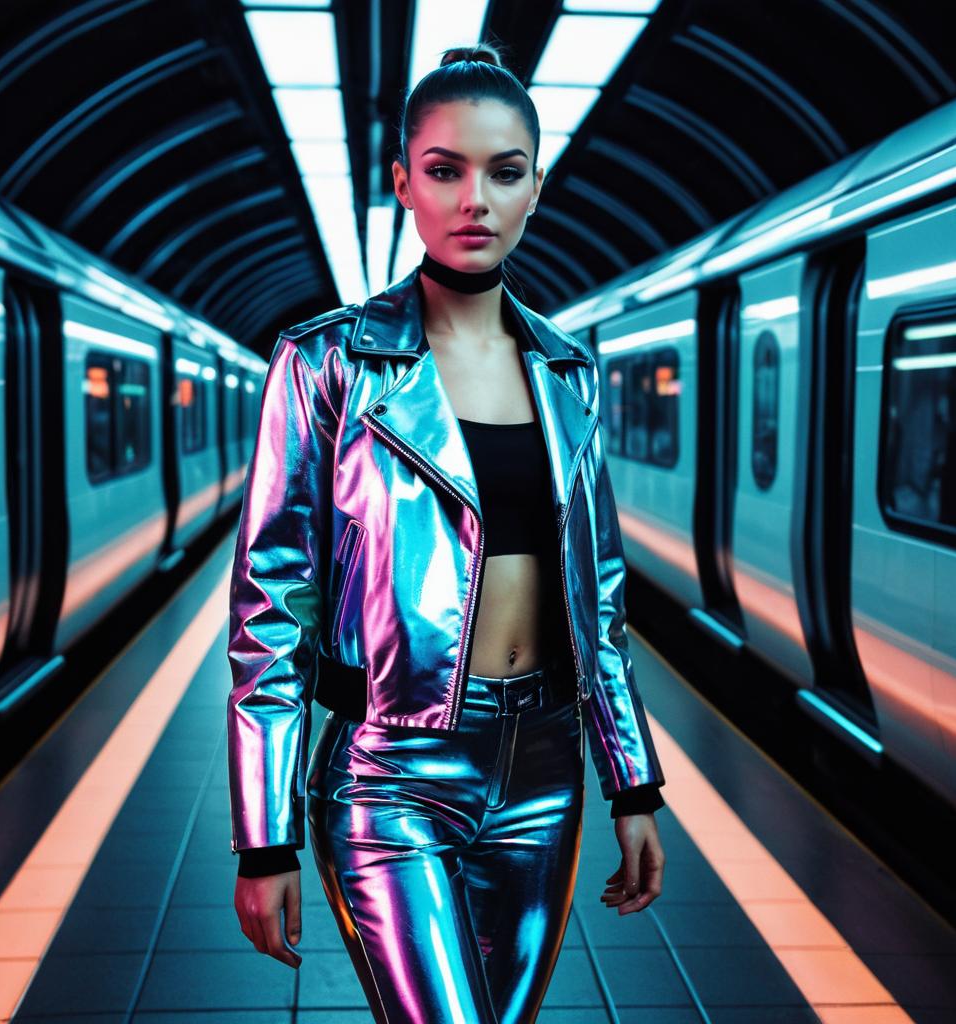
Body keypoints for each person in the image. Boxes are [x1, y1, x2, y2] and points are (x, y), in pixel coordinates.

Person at [227, 41, 667, 1024]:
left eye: (503, 172)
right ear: (402, 186)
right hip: (391, 769)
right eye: (444, 170)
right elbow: (271, 605)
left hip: (545, 774)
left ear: (534, 189)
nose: (475, 199)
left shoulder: (568, 373)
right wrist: (263, 838)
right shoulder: (328, 363)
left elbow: (598, 600)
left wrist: (631, 783)